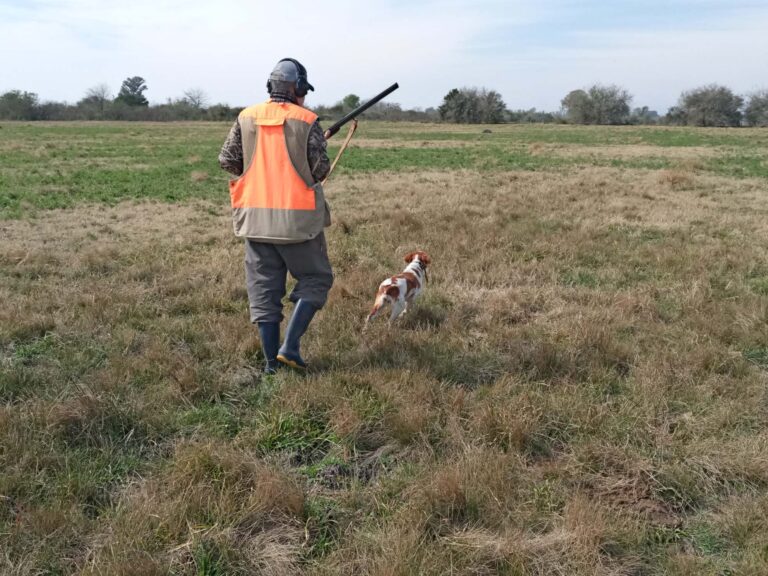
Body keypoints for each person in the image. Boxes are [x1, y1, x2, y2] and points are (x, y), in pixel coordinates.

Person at [219, 58, 333, 374]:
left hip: (255, 222)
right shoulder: (307, 120)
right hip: (298, 225)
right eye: (303, 90)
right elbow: (320, 170)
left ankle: (271, 366)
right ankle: (290, 347)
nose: (304, 97)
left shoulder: (246, 117)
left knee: (264, 295)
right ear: (296, 87)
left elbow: (228, 160)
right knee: (316, 279)